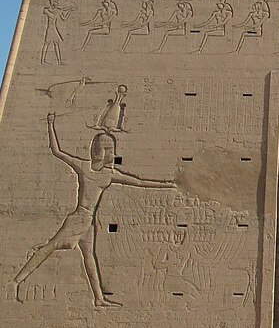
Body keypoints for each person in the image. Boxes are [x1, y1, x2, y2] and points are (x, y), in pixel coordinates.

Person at [14, 114, 177, 307]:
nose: (111, 153)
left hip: (88, 221)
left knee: (89, 258)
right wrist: (50, 125)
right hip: (79, 219)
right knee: (50, 248)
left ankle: (99, 298)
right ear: (98, 150)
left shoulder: (107, 175)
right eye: (108, 149)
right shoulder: (87, 169)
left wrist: (167, 184)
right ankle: (16, 281)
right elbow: (57, 151)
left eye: (111, 149)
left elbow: (140, 183)